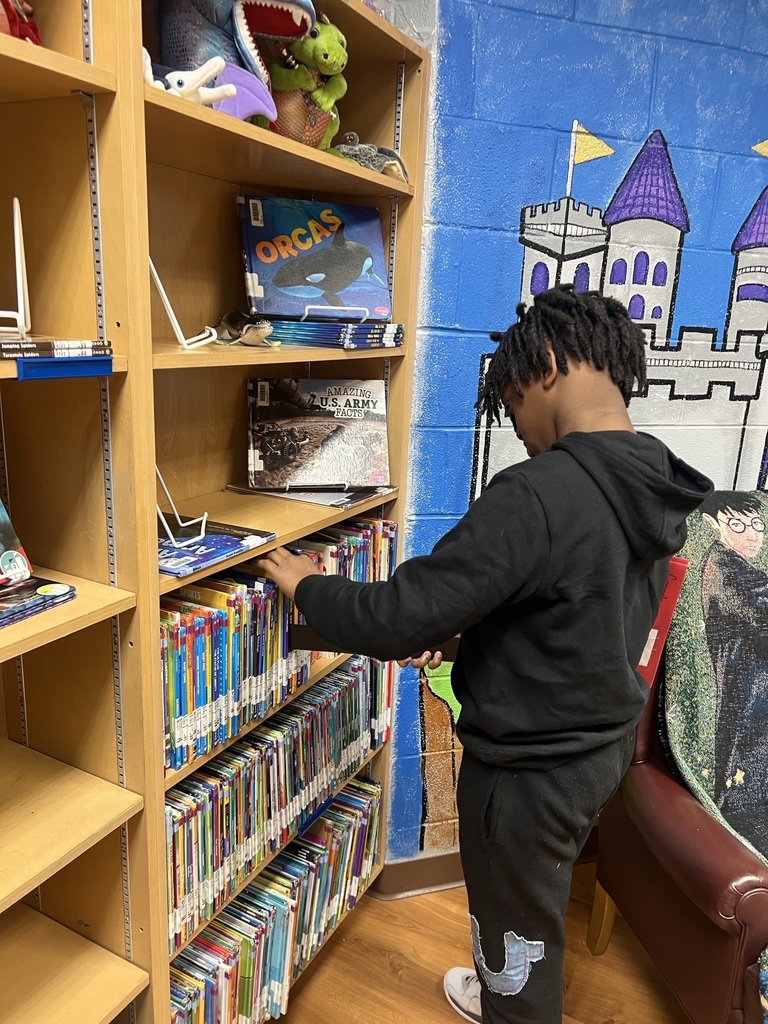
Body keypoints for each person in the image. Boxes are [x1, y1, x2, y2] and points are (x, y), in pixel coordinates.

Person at [253, 285, 713, 1024]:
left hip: (527, 774)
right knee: (532, 904)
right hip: (594, 753)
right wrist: (468, 630)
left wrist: (308, 586)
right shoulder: (649, 477)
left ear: (550, 365)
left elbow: (398, 618)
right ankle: (510, 974)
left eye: (513, 404)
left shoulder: (538, 493)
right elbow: (577, 609)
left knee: (511, 928)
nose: (519, 429)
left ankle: (511, 997)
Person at [700, 490, 768, 851]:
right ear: (715, 525)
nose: (752, 533)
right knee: (748, 808)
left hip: (752, 706)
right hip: (749, 709)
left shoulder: (737, 569)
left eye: (757, 524)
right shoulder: (727, 570)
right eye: (738, 525)